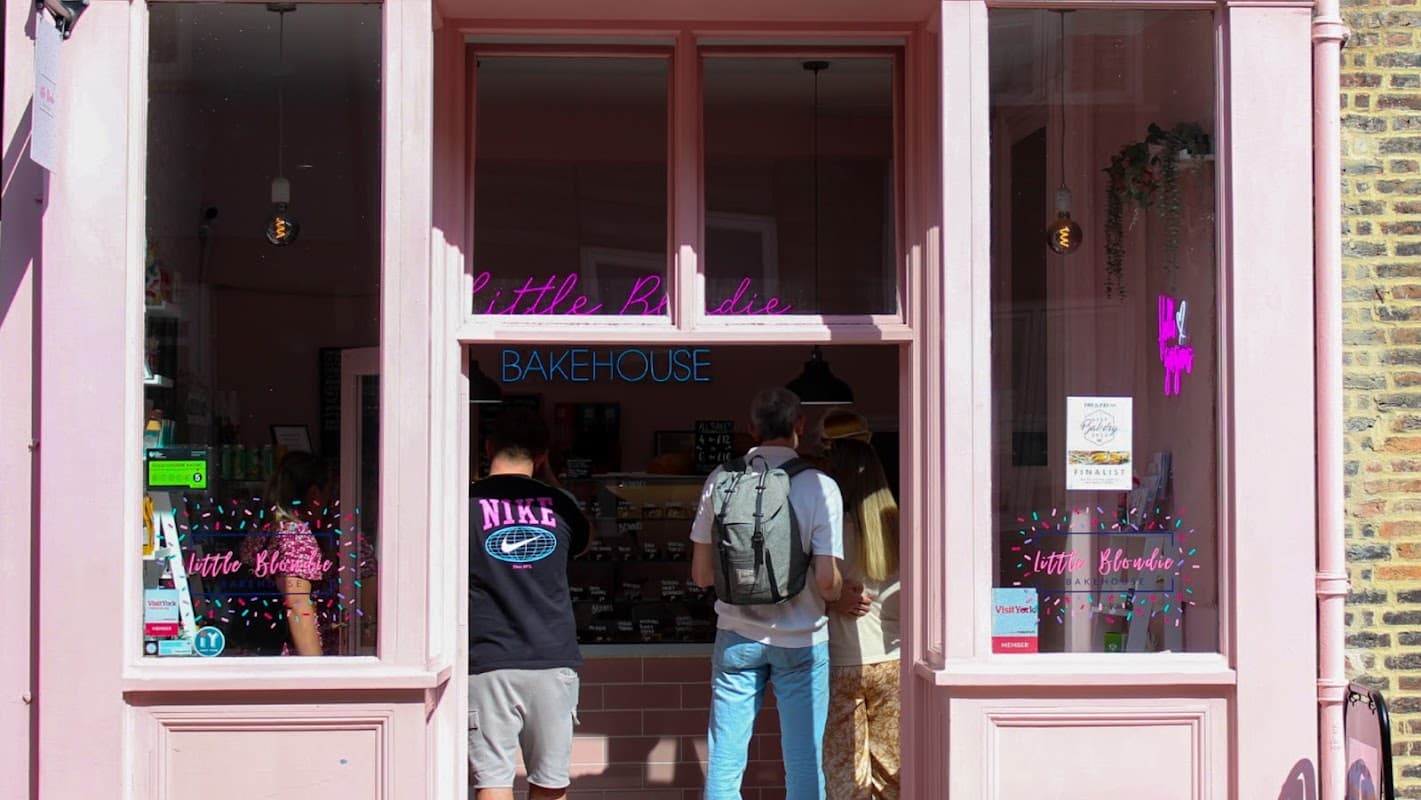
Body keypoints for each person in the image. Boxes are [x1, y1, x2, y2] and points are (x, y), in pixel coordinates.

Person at [690, 388, 845, 800]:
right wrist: (840, 591)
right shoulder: (819, 486)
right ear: (800, 426)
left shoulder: (720, 480)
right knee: (803, 760)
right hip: (803, 642)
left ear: (751, 428)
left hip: (736, 637)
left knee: (725, 760)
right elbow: (829, 583)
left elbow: (702, 576)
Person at [468, 409, 590, 800]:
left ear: (488, 447)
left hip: (488, 656)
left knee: (493, 781)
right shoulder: (562, 505)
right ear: (542, 455)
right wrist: (549, 480)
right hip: (552, 657)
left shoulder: (462, 503)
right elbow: (582, 547)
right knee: (551, 784)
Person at [818, 410, 901, 800]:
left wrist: (833, 600)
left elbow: (811, 584)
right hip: (891, 659)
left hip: (840, 660)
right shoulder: (897, 523)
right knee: (892, 771)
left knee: (843, 771)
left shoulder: (828, 526)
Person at [239, 450, 334, 656]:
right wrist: (318, 674)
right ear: (314, 494)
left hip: (253, 650)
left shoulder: (263, 529)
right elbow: (298, 606)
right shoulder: (296, 535)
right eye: (329, 492)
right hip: (285, 660)